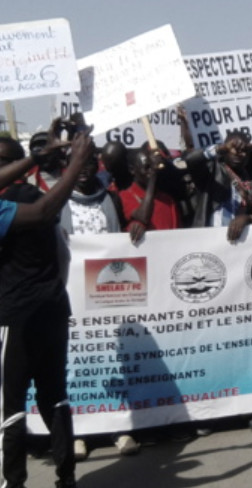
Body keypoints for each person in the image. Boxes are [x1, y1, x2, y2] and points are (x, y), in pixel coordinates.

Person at [0, 131, 94, 488]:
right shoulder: (39, 198)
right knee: (55, 396)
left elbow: (41, 216)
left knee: (13, 405)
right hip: (53, 307)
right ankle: (66, 476)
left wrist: (66, 163)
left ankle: (14, 481)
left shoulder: (18, 205)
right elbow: (52, 231)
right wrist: (74, 164)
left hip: (17, 316)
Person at [184, 130, 252, 238]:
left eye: (244, 150)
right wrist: (219, 148)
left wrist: (248, 218)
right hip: (206, 241)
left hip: (239, 247)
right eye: (234, 149)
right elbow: (191, 159)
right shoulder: (211, 171)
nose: (239, 154)